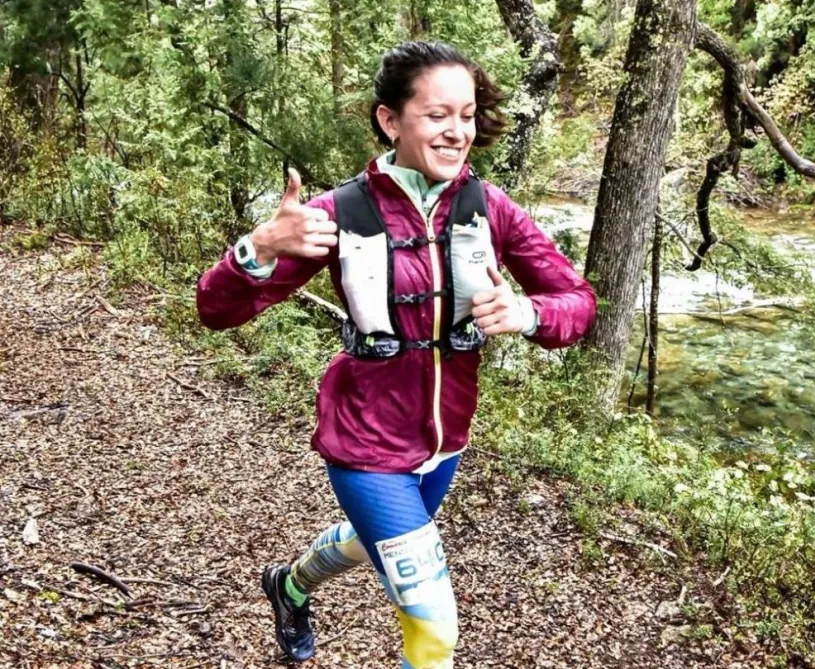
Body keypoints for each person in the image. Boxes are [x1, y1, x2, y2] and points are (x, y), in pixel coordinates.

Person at [196, 40, 596, 668]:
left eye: (465, 115)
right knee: (434, 622)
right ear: (391, 120)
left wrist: (529, 313)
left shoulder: (490, 209)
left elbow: (577, 301)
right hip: (365, 443)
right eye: (437, 115)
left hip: (446, 439)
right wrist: (259, 245)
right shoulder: (338, 213)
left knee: (368, 542)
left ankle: (289, 585)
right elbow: (216, 311)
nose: (456, 131)